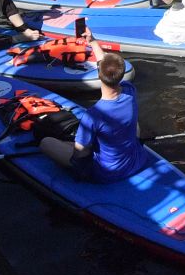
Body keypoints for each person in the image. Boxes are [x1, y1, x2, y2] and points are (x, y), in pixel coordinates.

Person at [34, 42, 149, 181]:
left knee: (46, 142)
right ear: (121, 74)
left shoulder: (94, 114)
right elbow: (106, 66)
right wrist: (92, 41)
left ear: (98, 75)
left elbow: (80, 153)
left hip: (107, 172)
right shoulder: (129, 90)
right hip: (137, 160)